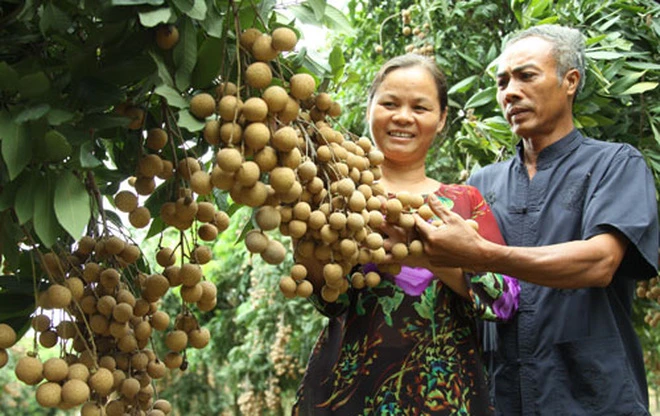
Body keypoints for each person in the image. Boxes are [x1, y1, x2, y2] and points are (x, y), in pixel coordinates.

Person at [413, 25, 659, 415]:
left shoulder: (616, 164)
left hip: (597, 401)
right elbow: (473, 292)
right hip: (503, 399)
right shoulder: (481, 184)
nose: (509, 91)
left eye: (526, 76)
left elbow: (600, 262)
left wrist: (482, 254)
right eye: (502, 81)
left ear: (570, 82)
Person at [291, 53, 519, 415]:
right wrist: (305, 229)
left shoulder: (463, 202)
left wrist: (429, 256)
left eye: (420, 107)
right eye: (390, 103)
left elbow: (504, 301)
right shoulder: (333, 192)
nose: (402, 117)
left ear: (442, 119)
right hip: (347, 394)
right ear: (369, 108)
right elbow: (327, 300)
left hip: (443, 393)